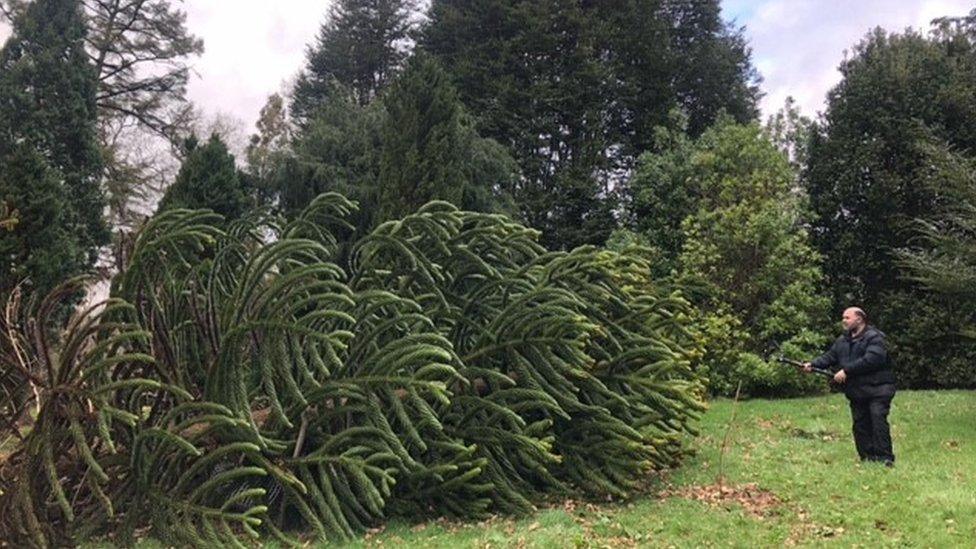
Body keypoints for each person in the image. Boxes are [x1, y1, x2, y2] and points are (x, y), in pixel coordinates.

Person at [804, 307, 896, 465]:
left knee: (877, 419)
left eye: (847, 318)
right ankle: (867, 458)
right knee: (860, 424)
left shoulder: (875, 338)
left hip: (879, 389)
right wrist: (812, 364)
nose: (844, 321)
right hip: (857, 391)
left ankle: (885, 458)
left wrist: (846, 370)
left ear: (859, 319)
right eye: (843, 318)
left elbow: (873, 359)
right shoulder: (843, 340)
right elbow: (830, 357)